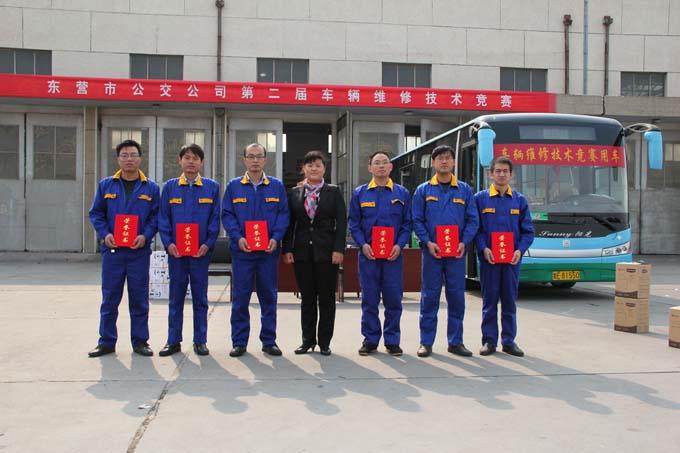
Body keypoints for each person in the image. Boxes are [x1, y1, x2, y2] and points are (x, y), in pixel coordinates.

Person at [88, 139, 160, 357]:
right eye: (124, 155)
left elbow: (156, 217)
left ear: (140, 158)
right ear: (118, 159)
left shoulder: (151, 188)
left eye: (133, 155)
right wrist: (105, 234)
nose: (129, 159)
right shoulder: (106, 185)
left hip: (139, 253)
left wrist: (145, 235)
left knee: (139, 299)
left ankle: (140, 341)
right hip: (113, 252)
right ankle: (106, 341)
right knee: (110, 298)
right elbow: (96, 213)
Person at [221, 143, 289, 357]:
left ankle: (269, 341)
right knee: (240, 297)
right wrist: (237, 237)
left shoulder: (276, 186)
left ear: (265, 160)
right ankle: (239, 342)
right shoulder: (234, 186)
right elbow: (227, 215)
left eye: (259, 156)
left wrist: (276, 238)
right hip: (242, 252)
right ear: (244, 160)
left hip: (268, 253)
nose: (255, 160)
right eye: (251, 156)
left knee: (268, 296)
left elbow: (283, 215)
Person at [412, 145, 479, 358]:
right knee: (429, 297)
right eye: (440, 158)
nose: (444, 161)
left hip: (456, 254)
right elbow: (417, 220)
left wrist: (464, 242)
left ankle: (456, 342)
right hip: (432, 253)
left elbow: (473, 220)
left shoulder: (464, 190)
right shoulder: (423, 190)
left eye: (448, 158)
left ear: (453, 162)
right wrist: (427, 242)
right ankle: (426, 342)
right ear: (433, 163)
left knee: (457, 297)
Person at [157, 144, 220, 357]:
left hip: (200, 254)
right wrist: (169, 243)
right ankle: (173, 341)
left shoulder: (211, 187)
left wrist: (207, 243)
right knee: (175, 298)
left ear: (202, 162)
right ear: (180, 161)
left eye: (195, 158)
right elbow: (163, 218)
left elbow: (215, 219)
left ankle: (200, 341)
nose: (191, 162)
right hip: (177, 254)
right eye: (187, 157)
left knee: (200, 298)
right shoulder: (170, 187)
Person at [283, 151, 346, 356]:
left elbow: (342, 223)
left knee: (326, 299)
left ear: (324, 169)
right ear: (304, 169)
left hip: (327, 252)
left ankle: (324, 342)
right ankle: (307, 341)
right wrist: (287, 249)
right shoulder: (294, 193)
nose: (313, 168)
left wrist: (338, 249)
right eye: (309, 165)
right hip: (302, 252)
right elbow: (290, 224)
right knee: (307, 298)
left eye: (318, 165)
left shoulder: (333, 192)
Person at [348, 151, 412, 356]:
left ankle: (392, 340)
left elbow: (407, 224)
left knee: (394, 299)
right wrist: (362, 244)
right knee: (370, 299)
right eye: (377, 163)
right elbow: (354, 223)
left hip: (393, 256)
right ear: (370, 168)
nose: (381, 166)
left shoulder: (402, 193)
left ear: (391, 167)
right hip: (369, 256)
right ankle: (370, 339)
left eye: (385, 162)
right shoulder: (360, 193)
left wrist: (400, 245)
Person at [474, 156, 535, 357]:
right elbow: (476, 229)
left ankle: (509, 341)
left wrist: (520, 250)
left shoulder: (519, 200)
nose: (501, 174)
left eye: (505, 171)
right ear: (490, 174)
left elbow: (528, 232)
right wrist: (483, 248)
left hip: (511, 260)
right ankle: (489, 341)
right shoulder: (480, 199)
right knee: (489, 301)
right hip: (489, 260)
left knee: (509, 301)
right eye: (498, 171)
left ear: (511, 175)